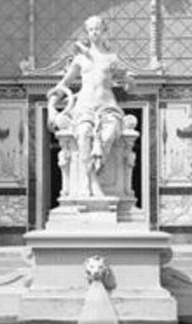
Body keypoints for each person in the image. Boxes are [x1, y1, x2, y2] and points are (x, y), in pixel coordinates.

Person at [47, 16, 132, 196]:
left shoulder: (111, 58)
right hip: (84, 107)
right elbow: (64, 84)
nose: (94, 33)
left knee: (108, 136)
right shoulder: (80, 60)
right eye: (91, 30)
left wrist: (129, 81)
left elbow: (130, 86)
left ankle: (100, 175)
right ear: (87, 33)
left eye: (97, 29)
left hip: (108, 107)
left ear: (104, 32)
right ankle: (90, 182)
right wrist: (52, 104)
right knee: (84, 133)